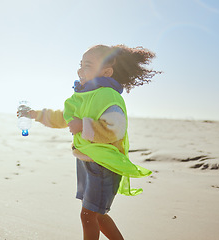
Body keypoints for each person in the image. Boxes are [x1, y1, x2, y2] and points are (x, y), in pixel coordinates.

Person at [24, 44, 161, 240]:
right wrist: (35, 114)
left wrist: (84, 125)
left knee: (88, 215)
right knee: (98, 215)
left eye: (87, 65)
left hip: (104, 165)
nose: (80, 69)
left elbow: (115, 129)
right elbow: (63, 117)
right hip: (85, 162)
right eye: (80, 64)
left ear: (106, 72)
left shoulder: (108, 96)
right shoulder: (81, 96)